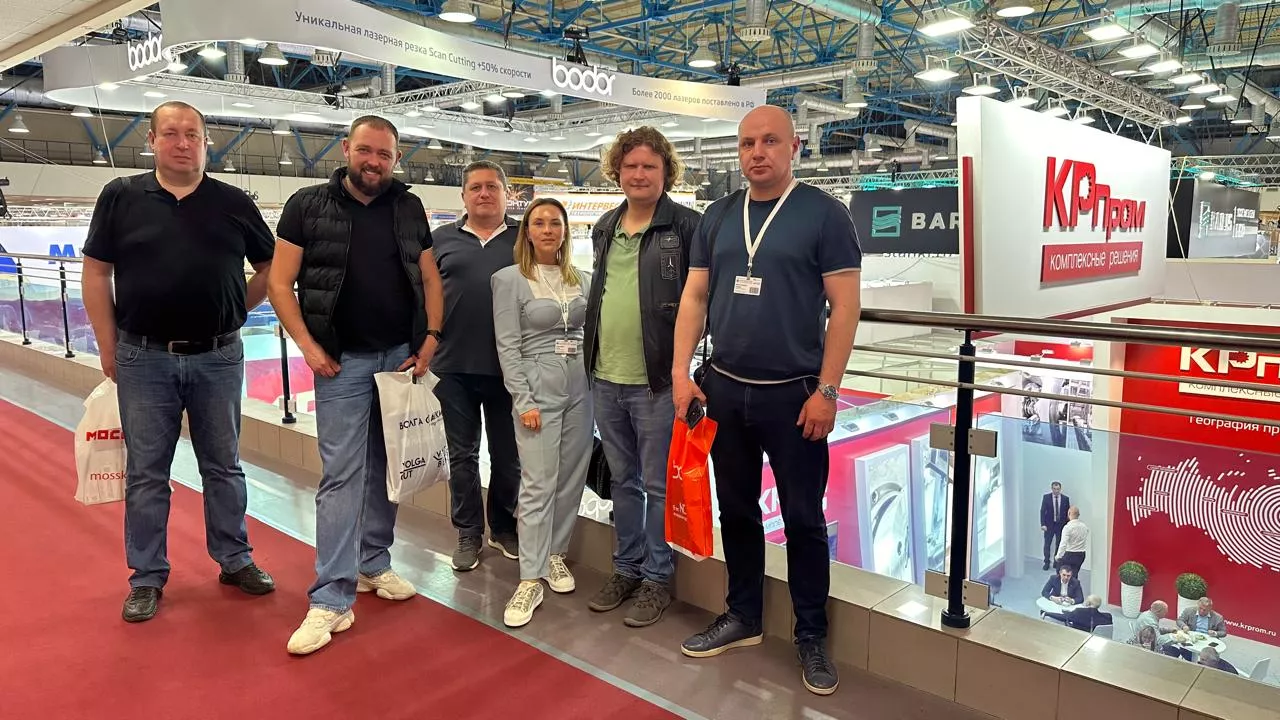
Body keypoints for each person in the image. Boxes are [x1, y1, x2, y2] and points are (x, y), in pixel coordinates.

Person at [670, 105, 862, 696]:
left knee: (803, 519)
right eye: (748, 143)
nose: (757, 152)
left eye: (771, 141)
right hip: (724, 388)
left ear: (794, 147)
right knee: (737, 509)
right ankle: (743, 616)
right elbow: (695, 297)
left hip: (795, 396)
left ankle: (811, 635)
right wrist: (681, 372)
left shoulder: (825, 214)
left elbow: (845, 308)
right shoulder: (718, 215)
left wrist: (828, 390)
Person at [81, 100, 277, 623]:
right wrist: (107, 344)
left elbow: (270, 267)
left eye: (192, 133)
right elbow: (96, 273)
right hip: (144, 357)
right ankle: (146, 576)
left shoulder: (233, 202)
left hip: (219, 356)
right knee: (147, 473)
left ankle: (234, 558)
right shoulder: (121, 196)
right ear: (151, 141)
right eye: (170, 133)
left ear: (206, 141)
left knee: (224, 466)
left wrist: (236, 308)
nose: (182, 143)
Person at [269, 115, 444, 656]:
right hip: (340, 363)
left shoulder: (408, 206)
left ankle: (373, 563)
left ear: (396, 158)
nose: (374, 162)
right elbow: (280, 282)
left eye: (384, 154)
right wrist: (307, 345)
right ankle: (330, 597)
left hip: (399, 360)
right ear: (346, 148)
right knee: (342, 476)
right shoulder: (307, 205)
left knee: (388, 468)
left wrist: (432, 337)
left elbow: (430, 276)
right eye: (365, 150)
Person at [583, 127, 701, 628]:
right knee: (622, 481)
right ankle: (626, 568)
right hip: (605, 376)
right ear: (618, 171)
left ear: (665, 172)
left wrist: (684, 370)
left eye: (649, 166)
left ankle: (657, 578)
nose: (639, 174)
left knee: (657, 484)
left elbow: (700, 302)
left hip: (656, 381)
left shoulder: (687, 226)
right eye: (630, 166)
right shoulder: (606, 225)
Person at [490, 198, 593, 628]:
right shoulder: (508, 280)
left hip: (580, 385)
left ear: (565, 230)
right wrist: (523, 398)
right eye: (539, 223)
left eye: (555, 222)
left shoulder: (583, 279)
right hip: (538, 385)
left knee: (571, 477)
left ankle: (554, 553)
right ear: (527, 232)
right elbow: (507, 345)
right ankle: (529, 577)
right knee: (537, 483)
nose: (548, 229)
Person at [430, 160, 522, 571]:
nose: (484, 193)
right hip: (453, 367)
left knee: (508, 455)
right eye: (476, 188)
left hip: (510, 368)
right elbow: (423, 297)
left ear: (506, 194)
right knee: (461, 455)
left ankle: (503, 527)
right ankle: (468, 532)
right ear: (464, 196)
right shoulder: (440, 240)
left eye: (492, 187)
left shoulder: (524, 239)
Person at [1039, 481, 1070, 571]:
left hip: (1060, 525)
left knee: (1059, 544)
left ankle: (1056, 562)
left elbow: (1067, 513)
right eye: (1054, 489)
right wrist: (1043, 524)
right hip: (1049, 525)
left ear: (1060, 489)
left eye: (1058, 489)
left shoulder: (1065, 499)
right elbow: (1042, 511)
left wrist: (1067, 525)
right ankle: (1046, 562)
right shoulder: (1046, 497)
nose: (1056, 491)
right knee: (1047, 544)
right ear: (1052, 488)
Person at [1042, 594, 1112, 632]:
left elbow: (1063, 617)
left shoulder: (1079, 612)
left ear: (1087, 603)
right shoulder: (1108, 617)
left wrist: (1047, 613)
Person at [1054, 505, 1089, 577]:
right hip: (1081, 554)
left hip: (1070, 554)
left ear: (1069, 514)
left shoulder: (1067, 528)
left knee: (1061, 575)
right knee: (1074, 574)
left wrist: (1058, 556)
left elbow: (1063, 544)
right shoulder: (1084, 527)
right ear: (1078, 515)